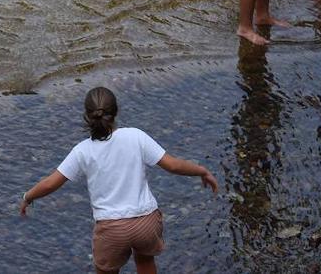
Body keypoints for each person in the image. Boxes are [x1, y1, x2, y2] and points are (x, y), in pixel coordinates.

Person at [18, 87, 218, 274]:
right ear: (116, 112)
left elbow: (51, 183)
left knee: (105, 270)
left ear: (87, 116)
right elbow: (173, 165)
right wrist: (201, 171)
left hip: (111, 228)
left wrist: (28, 196)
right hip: (146, 221)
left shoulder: (82, 151)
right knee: (146, 261)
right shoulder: (135, 136)